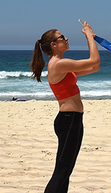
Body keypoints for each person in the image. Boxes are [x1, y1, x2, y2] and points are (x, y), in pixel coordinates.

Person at [30, 23, 101, 193]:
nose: (66, 38)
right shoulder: (57, 65)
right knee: (61, 173)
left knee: (65, 172)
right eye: (62, 37)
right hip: (68, 120)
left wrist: (91, 38)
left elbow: (95, 67)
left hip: (74, 120)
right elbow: (95, 60)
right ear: (53, 44)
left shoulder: (64, 65)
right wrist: (89, 36)